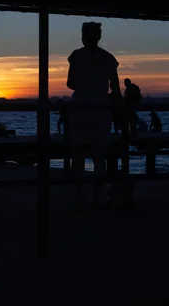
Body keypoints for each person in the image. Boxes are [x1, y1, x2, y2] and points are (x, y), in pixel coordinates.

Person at [67, 21, 121, 206]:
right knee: (99, 157)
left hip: (81, 107)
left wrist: (85, 84)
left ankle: (79, 197)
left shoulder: (75, 56)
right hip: (101, 108)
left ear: (83, 37)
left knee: (79, 156)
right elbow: (115, 88)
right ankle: (98, 197)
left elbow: (70, 83)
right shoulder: (109, 59)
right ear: (99, 37)